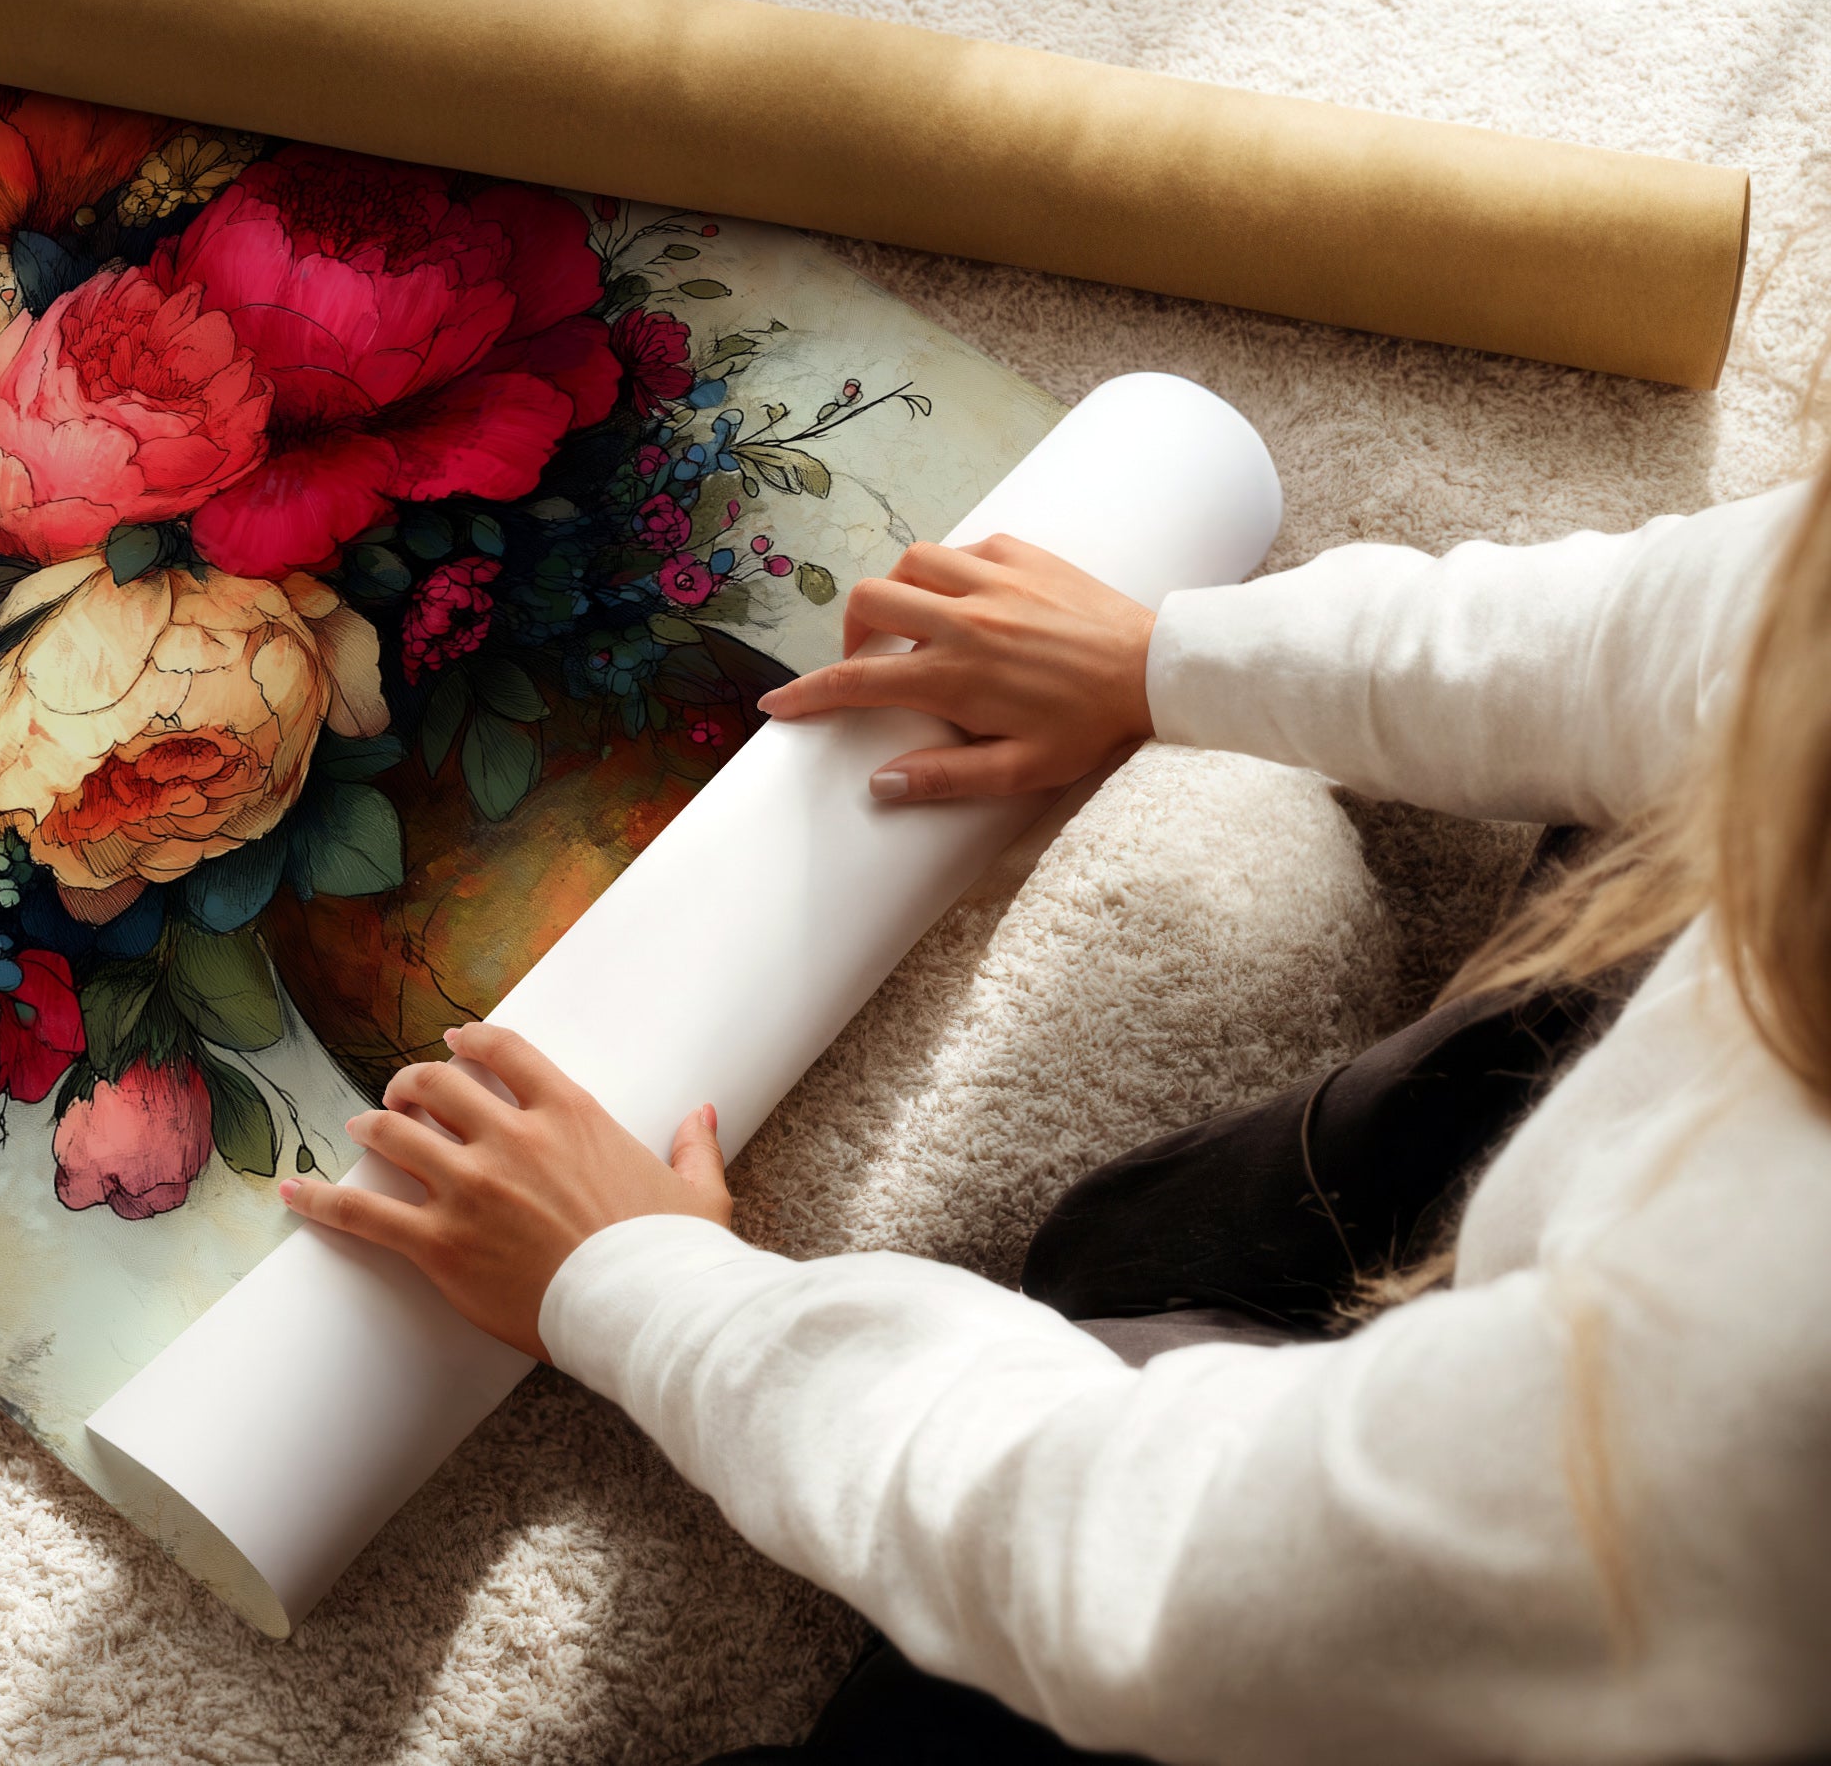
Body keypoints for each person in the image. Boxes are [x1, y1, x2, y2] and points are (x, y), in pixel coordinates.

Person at [277, 474, 1831, 1763]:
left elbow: (1160, 1567)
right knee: (1134, 1246)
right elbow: (1710, 626)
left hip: (1597, 1628)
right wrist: (1166, 657)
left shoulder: (1754, 1386)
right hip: (1626, 1295)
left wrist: (643, 1287)